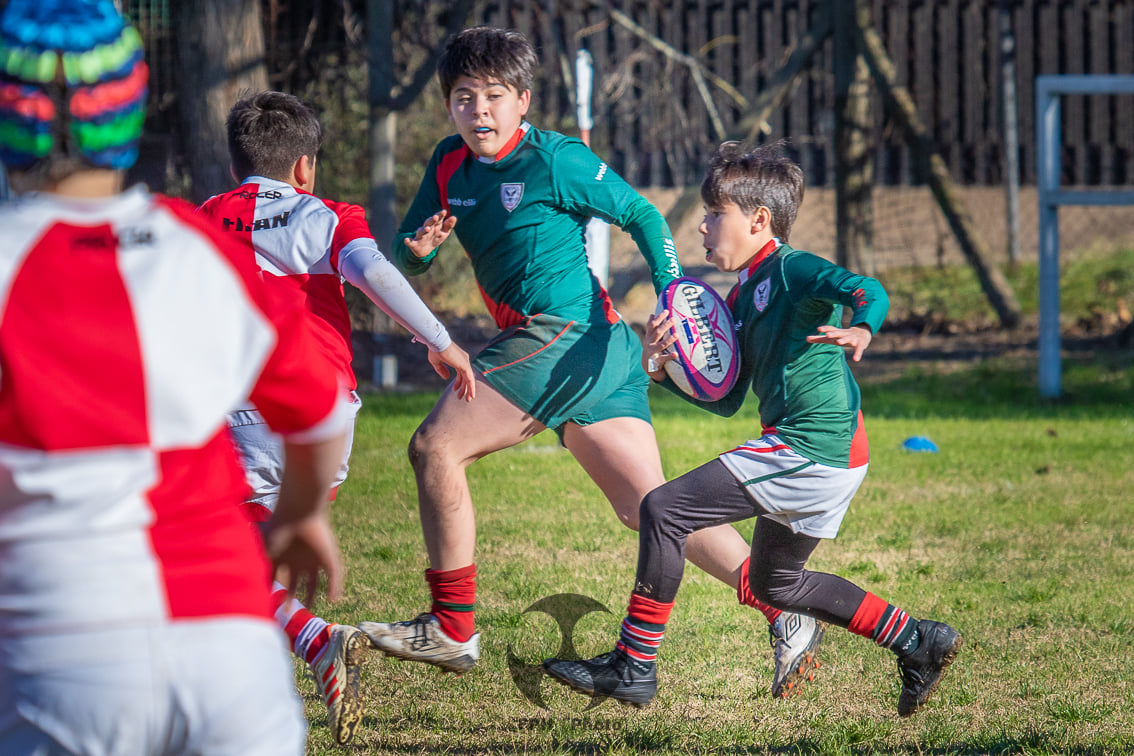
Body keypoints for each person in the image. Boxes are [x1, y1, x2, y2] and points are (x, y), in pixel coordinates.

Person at [360, 26, 824, 701]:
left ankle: (452, 625)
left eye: (494, 96)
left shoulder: (556, 161)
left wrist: (669, 288)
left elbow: (640, 214)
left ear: (523, 100)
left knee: (434, 447)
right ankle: (787, 610)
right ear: (448, 106)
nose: (479, 111)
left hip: (563, 334)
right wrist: (420, 250)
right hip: (599, 349)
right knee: (649, 508)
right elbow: (406, 250)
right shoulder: (446, 164)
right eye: (463, 98)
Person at [0, 1, 353, 754]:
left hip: (62, 646)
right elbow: (319, 412)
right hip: (229, 646)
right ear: (130, 100)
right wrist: (299, 517)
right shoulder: (196, 243)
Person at [542, 141, 963, 716]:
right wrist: (660, 367)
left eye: (715, 214)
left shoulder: (792, 269)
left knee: (664, 509)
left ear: (759, 220)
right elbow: (726, 397)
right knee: (776, 585)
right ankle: (919, 642)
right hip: (816, 448)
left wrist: (863, 327)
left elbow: (866, 288)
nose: (703, 228)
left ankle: (633, 664)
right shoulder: (740, 294)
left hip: (815, 445)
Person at [196, 90, 476, 745]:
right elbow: (374, 272)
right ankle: (293, 650)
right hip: (328, 416)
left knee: (214, 566)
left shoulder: (206, 215)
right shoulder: (324, 214)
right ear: (303, 167)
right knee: (245, 564)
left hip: (243, 414)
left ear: (240, 164)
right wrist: (440, 340)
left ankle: (312, 644)